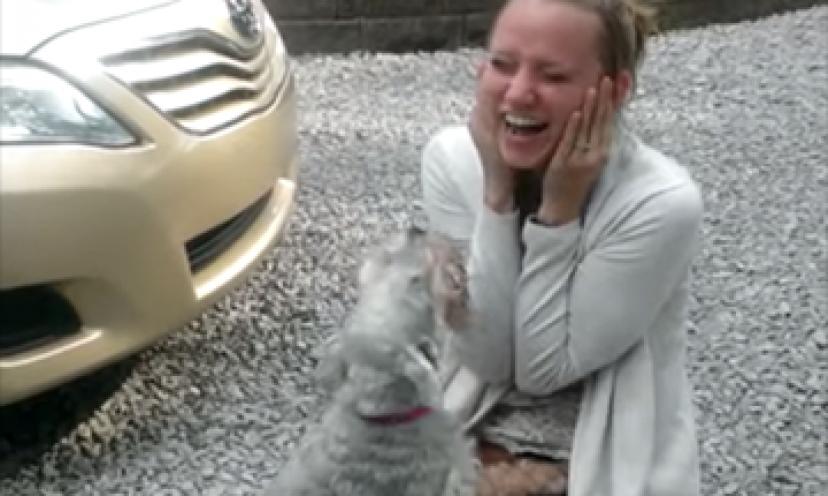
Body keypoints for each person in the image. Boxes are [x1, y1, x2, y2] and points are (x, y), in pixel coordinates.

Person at [420, 0, 704, 494]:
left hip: (603, 463)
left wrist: (558, 213)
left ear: (615, 91)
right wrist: (496, 197)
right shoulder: (452, 161)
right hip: (471, 427)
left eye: (552, 75)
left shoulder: (659, 202)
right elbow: (485, 355)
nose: (518, 93)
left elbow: (543, 370)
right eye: (502, 64)